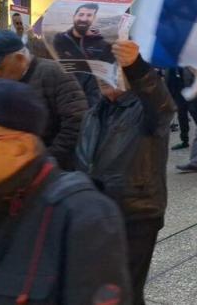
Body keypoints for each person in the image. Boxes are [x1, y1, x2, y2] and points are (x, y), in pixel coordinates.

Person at [0, 79, 131, 304]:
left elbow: (159, 108)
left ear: (19, 147)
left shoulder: (83, 214)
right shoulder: (97, 112)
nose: (106, 87)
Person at [75, 40, 176, 304]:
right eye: (99, 73)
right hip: (97, 214)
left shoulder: (145, 110)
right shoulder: (94, 113)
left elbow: (162, 104)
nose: (103, 79)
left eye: (110, 71)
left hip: (136, 213)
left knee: (127, 290)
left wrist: (136, 66)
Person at [0, 30, 88, 171]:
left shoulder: (54, 73)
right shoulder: (5, 84)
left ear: (20, 59)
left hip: (54, 169)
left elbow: (76, 121)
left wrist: (47, 160)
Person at [166, 67, 197, 150]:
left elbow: (196, 76)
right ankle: (184, 141)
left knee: (195, 114)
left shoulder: (187, 60)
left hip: (190, 92)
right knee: (181, 117)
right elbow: (168, 78)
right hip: (177, 93)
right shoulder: (170, 62)